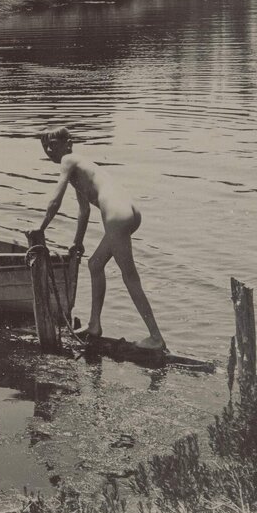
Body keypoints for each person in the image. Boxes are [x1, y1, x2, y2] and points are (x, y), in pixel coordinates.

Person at [34, 127, 166, 351]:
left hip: (116, 215)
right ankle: (94, 325)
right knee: (95, 264)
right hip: (128, 211)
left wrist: (41, 228)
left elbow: (55, 200)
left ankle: (156, 338)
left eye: (53, 144)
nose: (48, 150)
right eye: (44, 146)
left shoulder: (68, 160)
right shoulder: (80, 167)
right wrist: (77, 242)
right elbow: (84, 210)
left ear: (68, 144)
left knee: (130, 277)